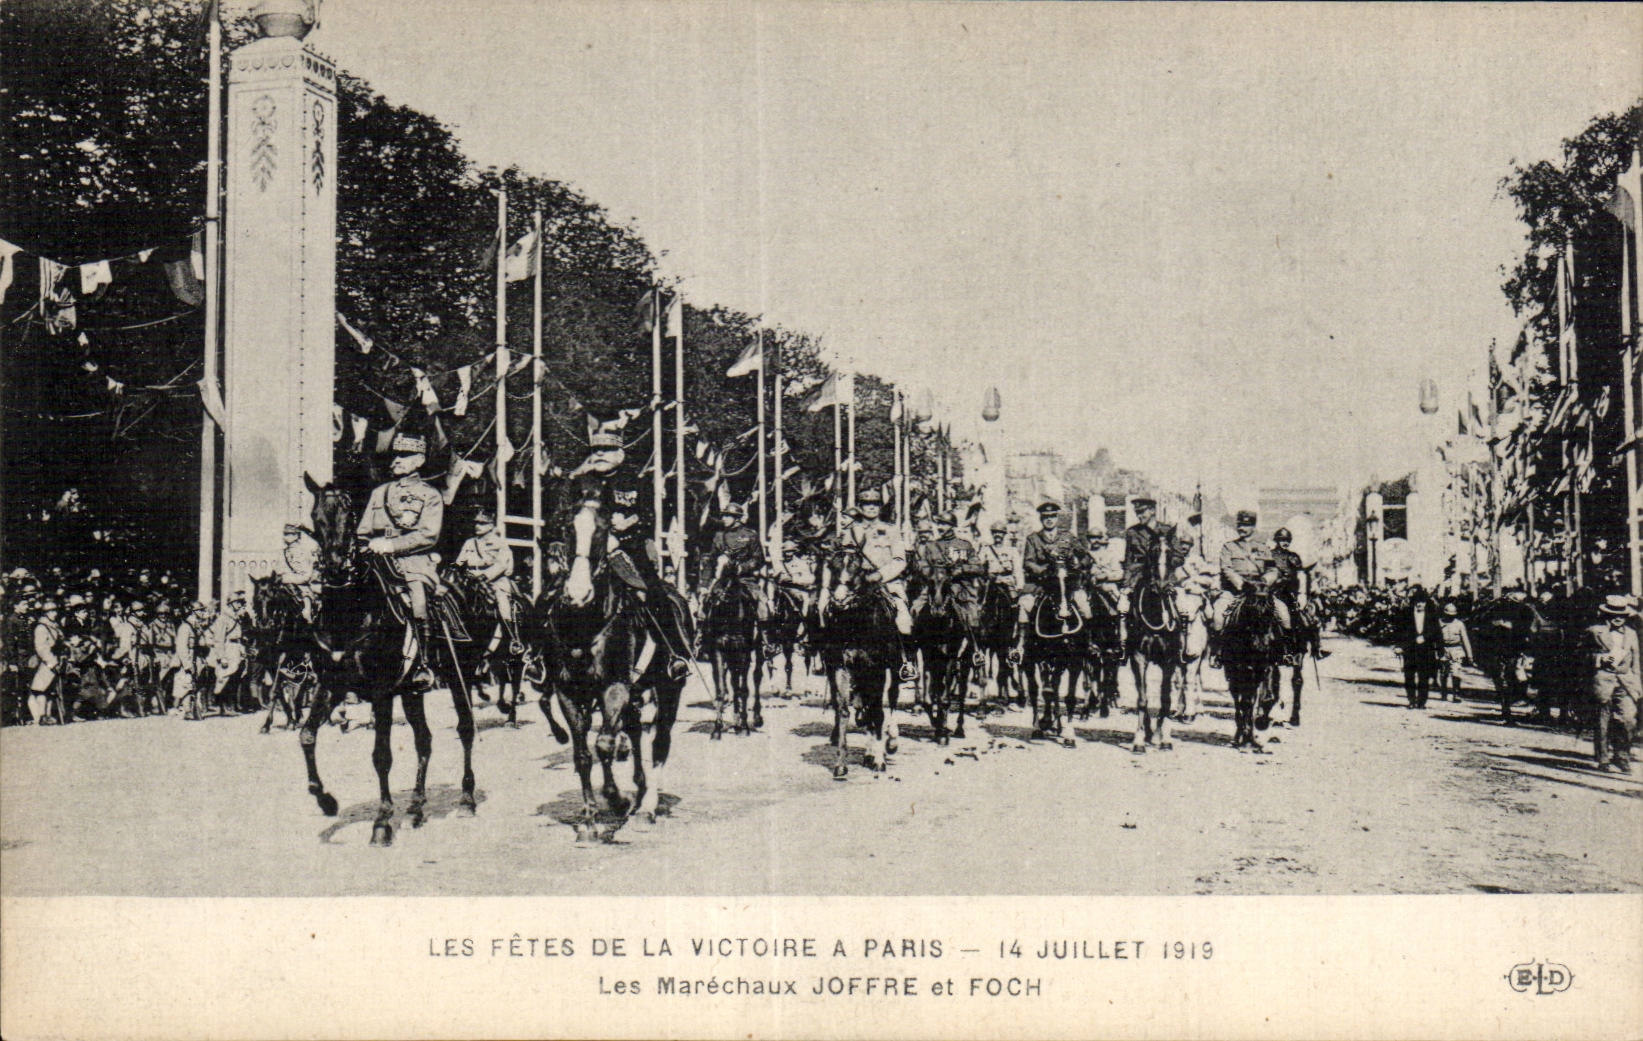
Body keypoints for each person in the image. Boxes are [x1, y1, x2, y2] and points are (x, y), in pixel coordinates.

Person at [357, 432, 445, 661]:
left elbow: (428, 535)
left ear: (419, 461)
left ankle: (423, 662)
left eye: (404, 456)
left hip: (413, 563)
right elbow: (363, 532)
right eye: (395, 455)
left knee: (417, 603)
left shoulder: (430, 495)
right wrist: (365, 546)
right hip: (375, 561)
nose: (396, 460)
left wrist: (392, 545)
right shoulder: (379, 493)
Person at [607, 487, 693, 682]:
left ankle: (675, 654)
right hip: (599, 548)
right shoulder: (595, 483)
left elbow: (647, 515)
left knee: (657, 597)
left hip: (634, 549)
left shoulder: (639, 484)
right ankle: (539, 656)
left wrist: (626, 523)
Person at [835, 486, 916, 683]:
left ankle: (906, 662)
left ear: (880, 507)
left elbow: (899, 560)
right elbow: (847, 560)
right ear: (861, 507)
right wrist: (844, 583)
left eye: (875, 504)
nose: (871, 508)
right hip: (858, 584)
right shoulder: (851, 531)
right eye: (866, 504)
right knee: (836, 611)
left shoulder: (891, 529)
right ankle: (837, 660)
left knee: (904, 621)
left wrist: (880, 575)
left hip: (887, 583)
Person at [1017, 501, 1092, 654]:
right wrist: (1045, 571)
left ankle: (1090, 642)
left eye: (1052, 516)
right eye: (1045, 517)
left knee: (1084, 604)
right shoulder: (1033, 539)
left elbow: (1086, 557)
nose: (1049, 520)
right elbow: (1028, 562)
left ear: (1057, 518)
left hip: (1068, 583)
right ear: (1041, 519)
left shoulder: (1068, 537)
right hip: (1043, 584)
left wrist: (1078, 566)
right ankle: (1021, 645)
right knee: (1025, 604)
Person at [1211, 510, 1291, 633]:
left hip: (1260, 592)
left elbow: (1272, 569)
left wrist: (1265, 581)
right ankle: (1216, 651)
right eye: (1240, 525)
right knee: (1218, 617)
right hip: (1234, 592)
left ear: (1253, 527)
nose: (1242, 528)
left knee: (1284, 614)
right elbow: (1226, 568)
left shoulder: (1263, 548)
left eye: (1246, 525)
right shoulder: (1229, 547)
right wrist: (1241, 584)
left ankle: (1287, 651)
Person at [455, 509, 522, 654]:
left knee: (501, 601)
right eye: (476, 523)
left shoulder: (499, 543)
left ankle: (512, 638)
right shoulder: (469, 542)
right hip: (470, 579)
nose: (477, 526)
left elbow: (502, 564)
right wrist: (456, 569)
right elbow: (460, 561)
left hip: (494, 581)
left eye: (482, 523)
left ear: (491, 525)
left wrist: (485, 576)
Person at [1586, 594, 1639, 773]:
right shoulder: (1594, 631)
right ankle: (1603, 758)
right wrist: (1600, 659)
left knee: (1628, 719)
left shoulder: (1631, 634)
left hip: (1625, 682)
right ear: (1606, 614)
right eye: (1613, 613)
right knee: (1602, 721)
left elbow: (1636, 662)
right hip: (1602, 681)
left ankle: (1622, 755)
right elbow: (1580, 657)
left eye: (1622, 614)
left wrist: (1638, 685)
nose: (1618, 617)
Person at [700, 502, 768, 619]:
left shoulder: (750, 535)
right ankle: (701, 633)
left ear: (737, 518)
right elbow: (711, 562)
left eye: (727, 515)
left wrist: (742, 567)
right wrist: (705, 584)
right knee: (703, 609)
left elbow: (758, 559)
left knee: (764, 610)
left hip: (745, 579)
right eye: (723, 515)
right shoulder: (719, 536)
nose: (724, 518)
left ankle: (765, 635)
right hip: (722, 579)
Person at [1397, 585, 1443, 709]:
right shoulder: (1406, 614)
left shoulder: (1432, 616)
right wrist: (1398, 646)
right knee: (1409, 676)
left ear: (1426, 603)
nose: (1419, 605)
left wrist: (1439, 650)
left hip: (1426, 650)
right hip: (1410, 650)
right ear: (1413, 603)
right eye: (1417, 602)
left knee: (1424, 677)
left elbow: (1437, 632)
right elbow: (1400, 630)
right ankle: (1411, 700)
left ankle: (1422, 702)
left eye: (1422, 602)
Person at [276, 523, 322, 620]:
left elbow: (306, 575)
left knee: (305, 612)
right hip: (284, 586)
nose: (286, 537)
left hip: (302, 587)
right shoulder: (283, 552)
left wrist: (287, 578)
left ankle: (309, 623)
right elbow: (278, 570)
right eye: (285, 534)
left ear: (296, 536)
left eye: (289, 534)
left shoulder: (303, 551)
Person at [28, 600, 63, 725]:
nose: (54, 613)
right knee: (41, 690)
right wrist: (51, 662)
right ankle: (41, 715)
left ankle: (48, 715)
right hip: (46, 662)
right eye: (51, 611)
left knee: (50, 690)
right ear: (45, 613)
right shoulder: (41, 627)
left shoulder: (54, 625)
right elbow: (41, 647)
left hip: (55, 659)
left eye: (54, 610)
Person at [1437, 601, 1474, 702]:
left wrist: (1470, 655)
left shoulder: (1459, 624)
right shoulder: (1439, 623)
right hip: (1443, 650)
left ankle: (1456, 693)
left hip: (1456, 650)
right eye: (1448, 615)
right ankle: (1443, 692)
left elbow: (1465, 639)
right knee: (1443, 673)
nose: (1450, 617)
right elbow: (1435, 638)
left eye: (1452, 615)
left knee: (1456, 672)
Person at [978, 520, 1023, 593]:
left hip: (1007, 582)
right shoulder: (986, 549)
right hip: (992, 582)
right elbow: (978, 566)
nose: (997, 535)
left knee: (1010, 602)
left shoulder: (1012, 550)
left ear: (1004, 534)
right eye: (995, 532)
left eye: (1000, 532)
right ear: (992, 534)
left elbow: (1017, 570)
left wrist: (1019, 586)